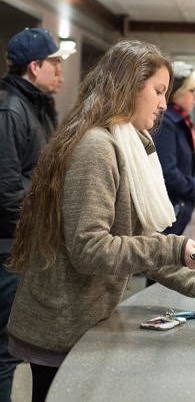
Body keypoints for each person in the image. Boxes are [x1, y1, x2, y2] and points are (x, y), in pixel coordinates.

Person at [6, 40, 195, 401]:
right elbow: (90, 249)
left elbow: (139, 239)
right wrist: (175, 246)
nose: (163, 104)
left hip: (82, 322)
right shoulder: (98, 147)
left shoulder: (128, 144)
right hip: (63, 324)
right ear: (128, 86)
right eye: (157, 91)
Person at [0, 27, 67, 402]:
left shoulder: (35, 105)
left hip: (24, 242)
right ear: (34, 66)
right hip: (11, 246)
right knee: (5, 354)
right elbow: (7, 190)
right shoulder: (11, 109)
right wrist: (31, 240)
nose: (60, 73)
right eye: (54, 64)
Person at [153, 60, 195, 235]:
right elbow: (167, 173)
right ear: (176, 93)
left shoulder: (179, 120)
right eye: (192, 90)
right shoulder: (166, 123)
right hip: (170, 213)